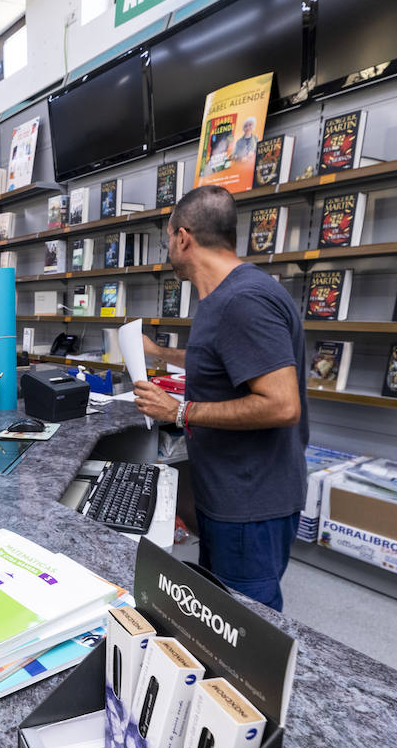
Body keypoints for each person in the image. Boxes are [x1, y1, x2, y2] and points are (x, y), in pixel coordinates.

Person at [132, 186, 308, 612]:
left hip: (250, 503)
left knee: (245, 630)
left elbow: (281, 404)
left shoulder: (241, 302)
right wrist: (160, 354)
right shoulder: (231, 294)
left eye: (167, 238)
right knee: (219, 614)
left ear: (183, 237)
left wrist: (179, 410)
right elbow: (223, 361)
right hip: (235, 494)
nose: (168, 248)